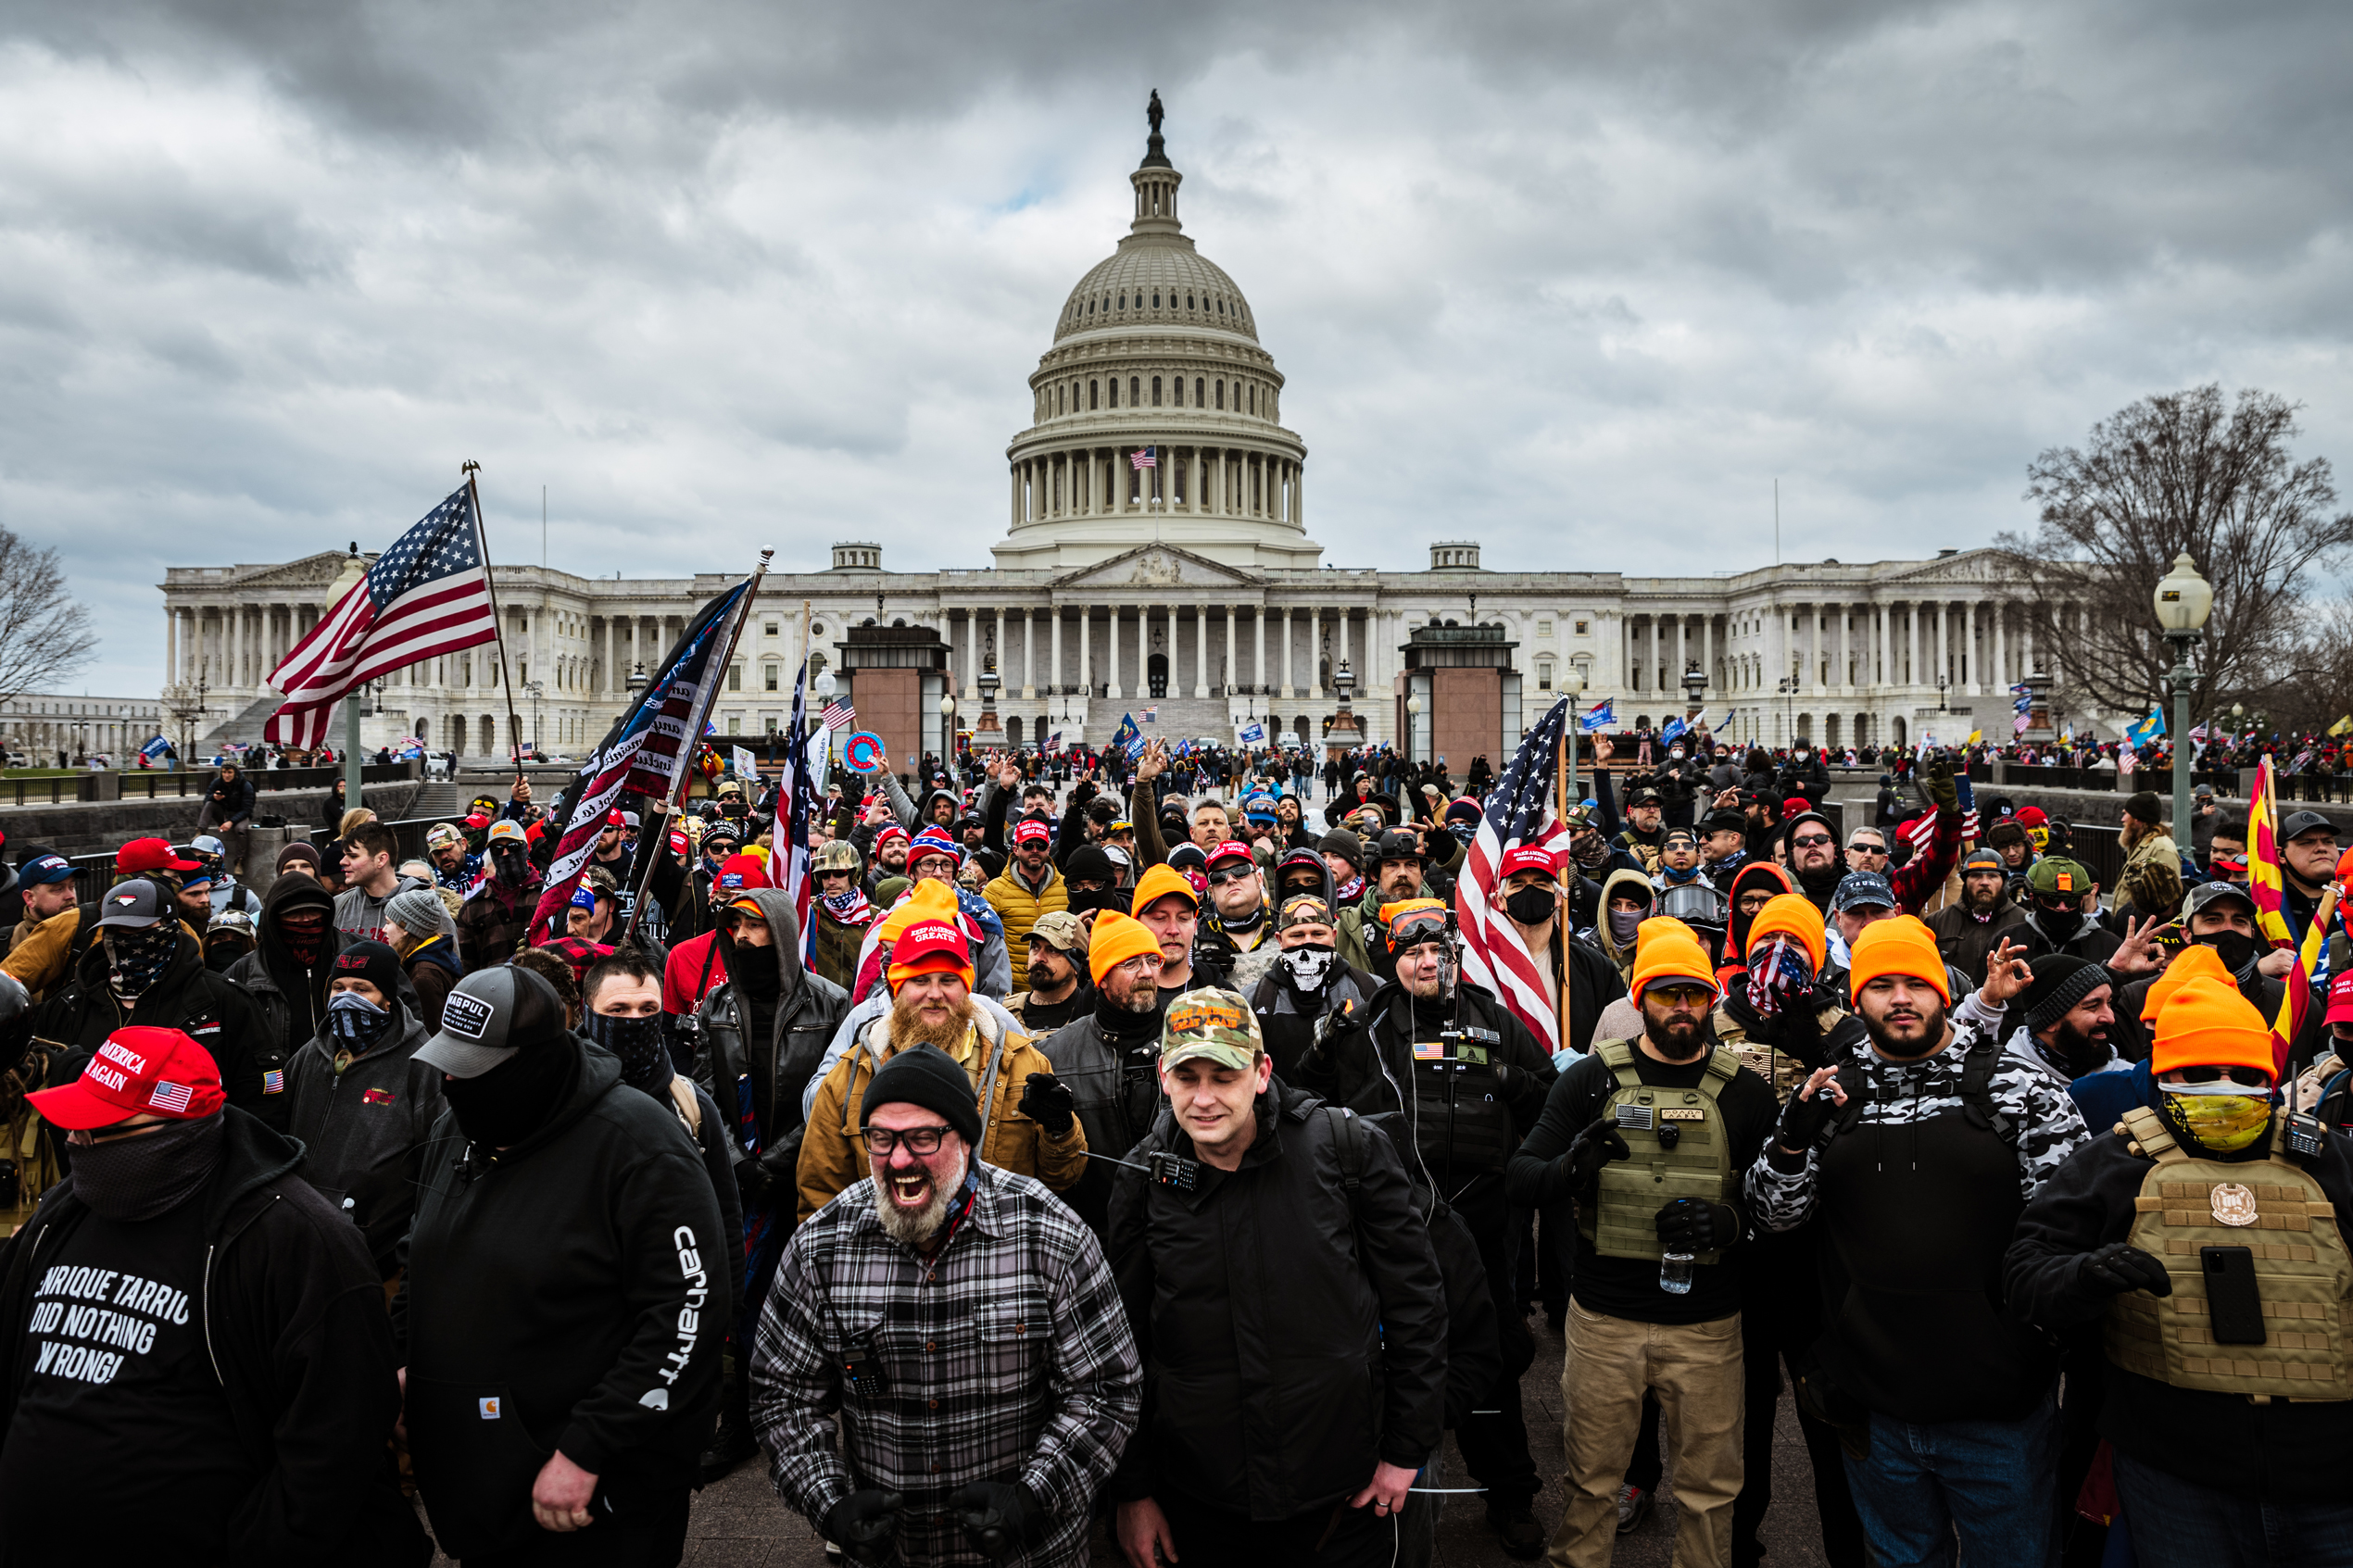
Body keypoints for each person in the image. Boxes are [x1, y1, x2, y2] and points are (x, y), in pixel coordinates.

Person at [0, 1027, 427, 1564]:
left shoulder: (296, 1239)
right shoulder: (60, 1213)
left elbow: (340, 1433)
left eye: (100, 1127)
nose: (76, 1141)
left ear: (173, 1127)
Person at [1747, 916, 2074, 1567]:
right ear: (1856, 998)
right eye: (1882, 985)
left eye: (1916, 983)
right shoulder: (1832, 1092)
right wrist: (1790, 1139)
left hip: (1998, 1413)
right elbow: (1773, 1215)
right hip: (1876, 1411)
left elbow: (2066, 1230)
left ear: (1942, 992)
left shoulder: (2021, 1088)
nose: (1901, 998)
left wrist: (2030, 1344)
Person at [749, 1043, 1142, 1568]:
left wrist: (1035, 1495)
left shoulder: (1051, 1234)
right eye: (882, 1139)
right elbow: (782, 1395)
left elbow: (1106, 1389)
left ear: (966, 1140)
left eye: (923, 1138)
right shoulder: (823, 1245)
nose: (900, 1159)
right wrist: (830, 1502)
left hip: (1031, 1552)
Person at [2006, 976, 2353, 1568]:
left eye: (2244, 1077)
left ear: (2270, 1081)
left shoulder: (2330, 1161)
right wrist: (2085, 1277)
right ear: (2165, 1079)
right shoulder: (2114, 1164)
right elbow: (2025, 1275)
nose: (2223, 1088)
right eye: (2198, 1075)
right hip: (2176, 1477)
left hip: (2332, 1480)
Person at [395, 965, 727, 1564]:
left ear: (531, 1063)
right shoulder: (458, 1127)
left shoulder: (639, 1143)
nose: (452, 1083)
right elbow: (423, 1250)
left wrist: (589, 1445)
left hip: (591, 1494)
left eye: (473, 1071)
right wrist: (403, 1358)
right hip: (480, 1484)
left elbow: (688, 1310)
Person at [1109, 991, 1449, 1568]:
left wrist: (1405, 1451)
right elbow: (1122, 1349)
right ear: (1164, 1078)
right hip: (1201, 1500)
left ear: (1262, 1072)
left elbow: (1417, 1305)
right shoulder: (1144, 1179)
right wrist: (1133, 1491)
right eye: (1187, 1076)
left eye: (1224, 1074)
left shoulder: (1347, 1150)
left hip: (1341, 1495)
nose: (1205, 1097)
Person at [1506, 920, 1777, 1568]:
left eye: (1694, 993)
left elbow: (1782, 1205)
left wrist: (1730, 1224)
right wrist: (1572, 1168)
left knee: (1710, 1494)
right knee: (1592, 1483)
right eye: (1666, 993)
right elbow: (1521, 1177)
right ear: (1640, 998)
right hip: (1605, 1320)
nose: (1682, 1008)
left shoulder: (1744, 1091)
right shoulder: (1590, 1081)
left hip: (1708, 1326)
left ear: (1711, 998)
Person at [1299, 897, 1558, 1556]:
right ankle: (1384, 1472)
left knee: (1491, 1353)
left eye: (1437, 952)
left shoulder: (1494, 1018)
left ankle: (1512, 1493)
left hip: (1484, 1213)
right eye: (1414, 952)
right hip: (1397, 1217)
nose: (1426, 962)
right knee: (1393, 1343)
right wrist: (1324, 1047)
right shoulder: (1370, 1020)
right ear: (1395, 958)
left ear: (1454, 957)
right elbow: (1309, 1098)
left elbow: (1552, 1096)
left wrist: (1509, 1077)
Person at [687, 886, 851, 1480]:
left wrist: (776, 1161)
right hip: (737, 1177)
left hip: (803, 1172)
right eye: (732, 926)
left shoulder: (830, 1005)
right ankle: (744, 1414)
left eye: (753, 926)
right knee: (739, 1296)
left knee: (808, 1299)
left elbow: (830, 1098)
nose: (741, 937)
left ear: (779, 932)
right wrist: (735, 1160)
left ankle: (806, 1410)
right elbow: (704, 1091)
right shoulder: (715, 1006)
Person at [798, 915, 1084, 1223]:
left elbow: (1062, 1179)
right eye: (920, 980)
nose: (934, 994)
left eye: (948, 980)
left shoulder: (1022, 1065)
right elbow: (820, 1197)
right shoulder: (850, 1077)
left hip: (995, 1256)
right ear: (896, 989)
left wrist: (1060, 1131)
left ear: (966, 988)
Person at [25, 876, 271, 1124]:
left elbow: (260, 1097)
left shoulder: (223, 1000)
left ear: (170, 928)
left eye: (140, 931)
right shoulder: (69, 1004)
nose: (126, 940)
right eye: (115, 931)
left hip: (193, 1150)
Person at [284, 939, 447, 1283]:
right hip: (297, 1242)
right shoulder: (308, 1056)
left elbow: (436, 1163)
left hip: (377, 1258)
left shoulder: (422, 1062)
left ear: (388, 997)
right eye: (339, 988)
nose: (347, 998)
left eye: (362, 989)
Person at [983, 817, 1068, 997]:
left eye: (1041, 845)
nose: (1035, 850)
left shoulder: (1066, 887)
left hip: (1058, 990)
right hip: (1011, 994)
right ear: (1015, 849)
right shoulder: (995, 890)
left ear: (1049, 849)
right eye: (1028, 845)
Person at [1928, 847, 2029, 986]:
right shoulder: (1937, 922)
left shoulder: (2024, 921)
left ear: (2003, 881)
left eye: (1993, 876)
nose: (1984, 882)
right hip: (1956, 1006)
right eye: (1976, 875)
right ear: (1965, 880)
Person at [456, 820, 542, 972]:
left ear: (525, 849)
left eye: (513, 846)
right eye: (497, 849)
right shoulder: (472, 908)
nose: (505, 853)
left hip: (541, 989)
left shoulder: (547, 896)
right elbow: (466, 968)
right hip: (490, 991)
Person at [1131, 862, 1214, 998]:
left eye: (1183, 918)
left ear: (1194, 926)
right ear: (1137, 924)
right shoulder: (1112, 992)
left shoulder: (1221, 991)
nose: (1173, 930)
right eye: (1160, 918)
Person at [1005, 909, 1092, 1034]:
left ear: (1076, 961)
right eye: (1035, 948)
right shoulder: (1005, 1014)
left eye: (1053, 950)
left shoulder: (1092, 1016)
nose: (1039, 958)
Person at [805, 839, 873, 990]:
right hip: (821, 1003)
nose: (831, 881)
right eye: (824, 874)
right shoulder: (809, 916)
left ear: (854, 874)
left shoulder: (874, 917)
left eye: (839, 873)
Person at [333, 823, 410, 946]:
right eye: (345, 855)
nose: (343, 862)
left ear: (381, 859)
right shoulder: (338, 905)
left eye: (353, 856)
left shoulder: (425, 907)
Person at [2114, 790, 2184, 922]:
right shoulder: (2139, 844)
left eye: (2126, 814)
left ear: (2137, 819)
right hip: (2128, 923)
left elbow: (2168, 898)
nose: (2122, 820)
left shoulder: (2161, 848)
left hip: (2144, 927)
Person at [194, 759, 257, 877]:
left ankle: (239, 861)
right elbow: (206, 800)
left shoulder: (245, 785)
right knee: (210, 804)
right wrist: (213, 797)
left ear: (235, 773)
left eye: (229, 772)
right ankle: (200, 831)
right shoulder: (217, 783)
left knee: (241, 831)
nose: (226, 775)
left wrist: (231, 822)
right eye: (224, 772)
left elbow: (247, 809)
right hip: (223, 815)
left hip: (240, 816)